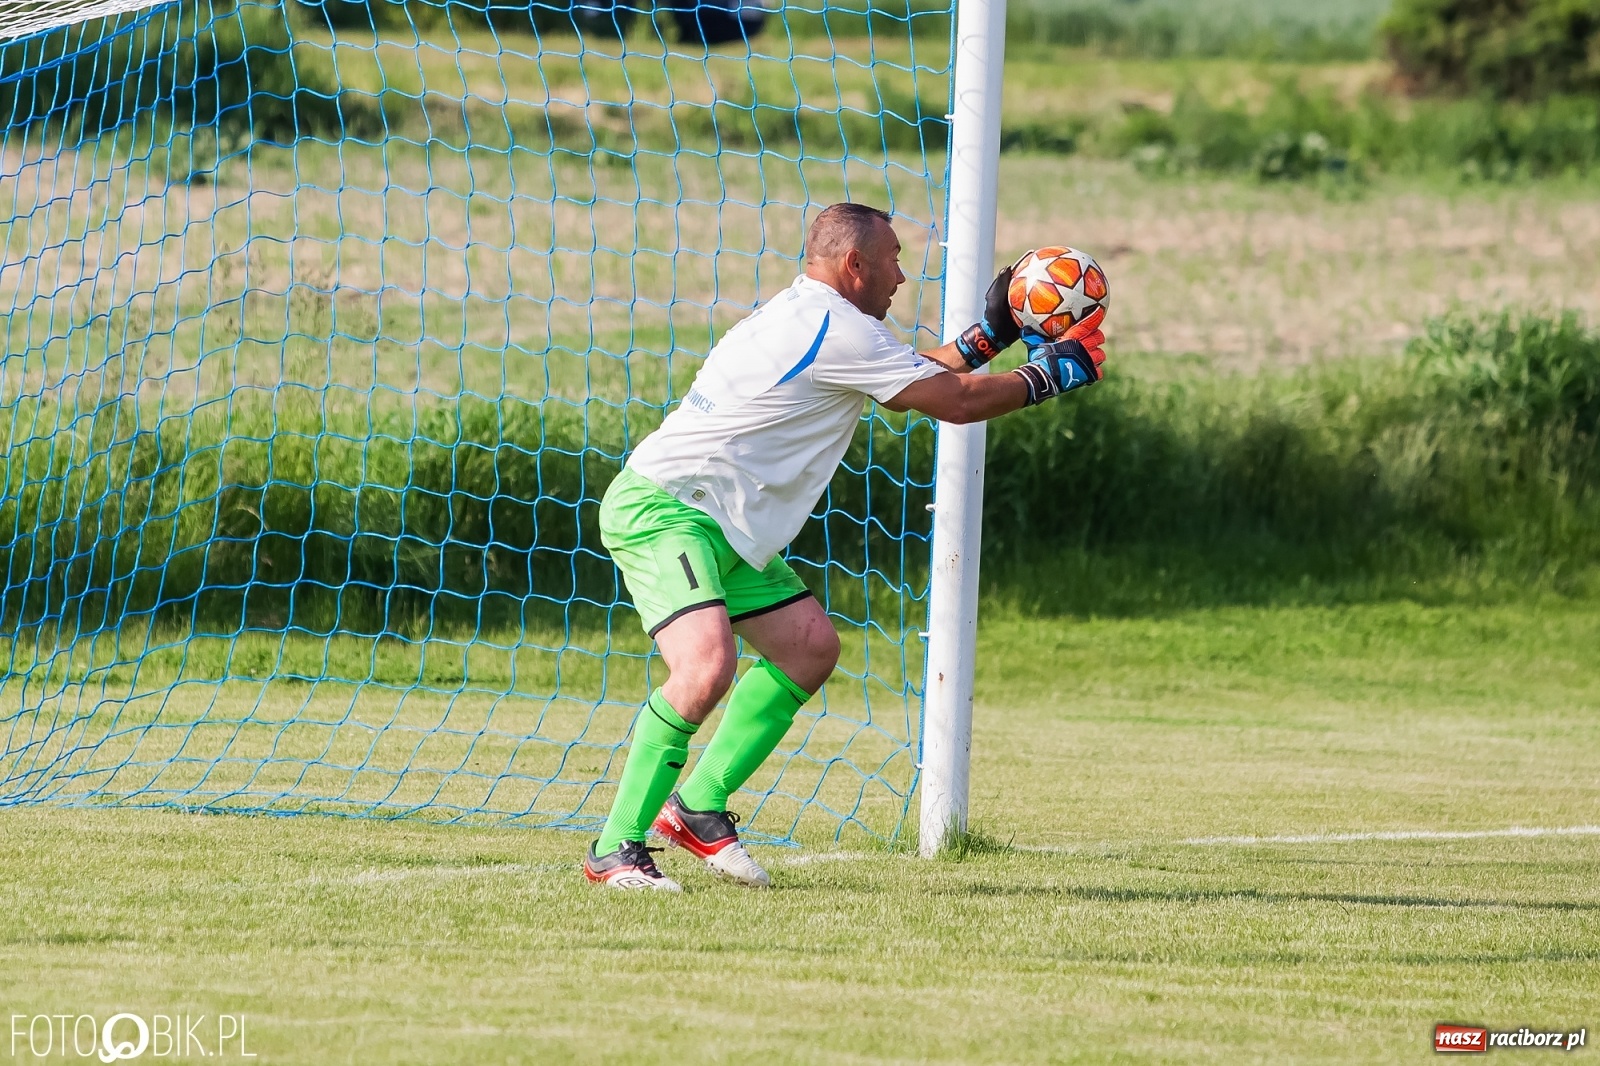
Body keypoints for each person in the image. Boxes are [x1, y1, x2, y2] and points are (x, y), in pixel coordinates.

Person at [585, 202, 1107, 890]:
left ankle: (697, 808)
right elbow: (953, 400)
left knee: (808, 647)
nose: (900, 273)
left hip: (722, 523)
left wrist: (992, 336)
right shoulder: (834, 328)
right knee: (706, 667)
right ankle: (615, 850)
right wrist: (1048, 375)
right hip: (667, 509)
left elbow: (917, 375)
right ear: (853, 264)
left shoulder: (825, 319)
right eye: (891, 258)